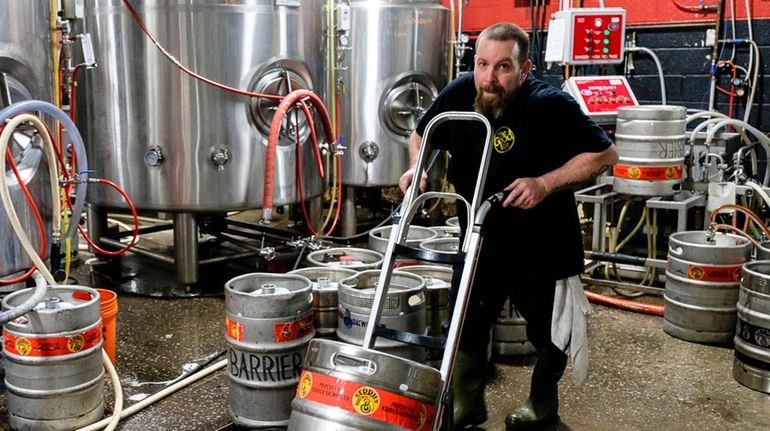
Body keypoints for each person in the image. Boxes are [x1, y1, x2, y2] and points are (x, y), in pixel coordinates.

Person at [399, 22, 618, 430]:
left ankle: (541, 405)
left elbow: (605, 154)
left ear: (525, 68)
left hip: (541, 243)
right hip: (480, 241)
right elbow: (421, 135)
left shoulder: (548, 105)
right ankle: (467, 403)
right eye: (483, 64)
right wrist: (417, 169)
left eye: (503, 67)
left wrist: (545, 183)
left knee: (547, 334)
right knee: (465, 324)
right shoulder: (461, 92)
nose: (489, 78)